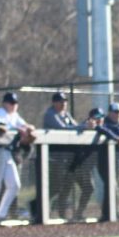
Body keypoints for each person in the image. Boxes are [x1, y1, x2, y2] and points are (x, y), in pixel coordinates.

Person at [42, 91, 94, 219]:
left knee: (85, 187)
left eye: (65, 101)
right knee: (56, 188)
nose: (63, 103)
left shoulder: (66, 114)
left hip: (71, 159)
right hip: (56, 158)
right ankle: (39, 209)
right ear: (54, 102)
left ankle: (75, 214)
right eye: (60, 101)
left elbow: (75, 126)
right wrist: (84, 126)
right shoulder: (50, 114)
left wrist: (85, 124)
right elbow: (63, 130)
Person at [0, 92, 35, 222]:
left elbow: (27, 126)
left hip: (7, 152)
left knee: (14, 185)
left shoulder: (15, 115)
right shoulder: (0, 112)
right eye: (11, 103)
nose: (13, 105)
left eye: (15, 103)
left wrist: (28, 128)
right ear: (4, 103)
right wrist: (20, 129)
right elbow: (4, 127)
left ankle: (0, 215)